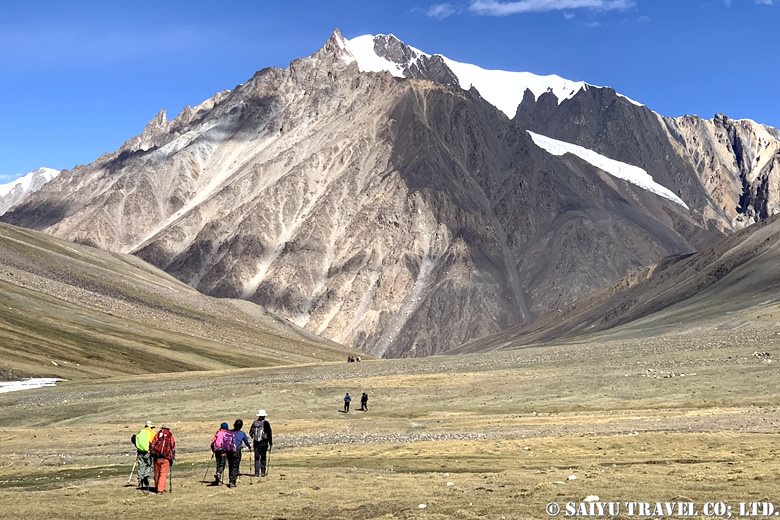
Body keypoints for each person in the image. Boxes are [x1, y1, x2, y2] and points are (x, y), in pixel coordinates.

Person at [149, 424, 176, 494]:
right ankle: (160, 489)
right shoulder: (170, 436)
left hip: (156, 457)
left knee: (157, 473)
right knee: (163, 474)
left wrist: (152, 453)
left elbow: (152, 444)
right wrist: (172, 458)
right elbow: (173, 447)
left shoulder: (158, 435)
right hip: (166, 458)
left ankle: (157, 487)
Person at [227, 419, 251, 487]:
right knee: (235, 466)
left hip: (229, 451)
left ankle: (231, 479)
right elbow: (246, 442)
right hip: (236, 451)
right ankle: (232, 481)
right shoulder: (242, 434)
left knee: (230, 465)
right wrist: (249, 446)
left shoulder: (229, 432)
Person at [249, 410, 273, 477]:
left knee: (256, 458)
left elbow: (250, 433)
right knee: (263, 457)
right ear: (264, 416)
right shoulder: (266, 423)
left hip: (256, 442)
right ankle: (263, 472)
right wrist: (270, 443)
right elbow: (269, 433)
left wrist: (254, 438)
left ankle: (256, 473)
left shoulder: (254, 423)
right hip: (263, 443)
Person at [134, 420, 156, 489]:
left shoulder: (141, 432)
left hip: (140, 451)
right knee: (150, 465)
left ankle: (140, 480)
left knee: (141, 466)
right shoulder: (151, 433)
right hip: (148, 451)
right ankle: (146, 476)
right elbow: (153, 442)